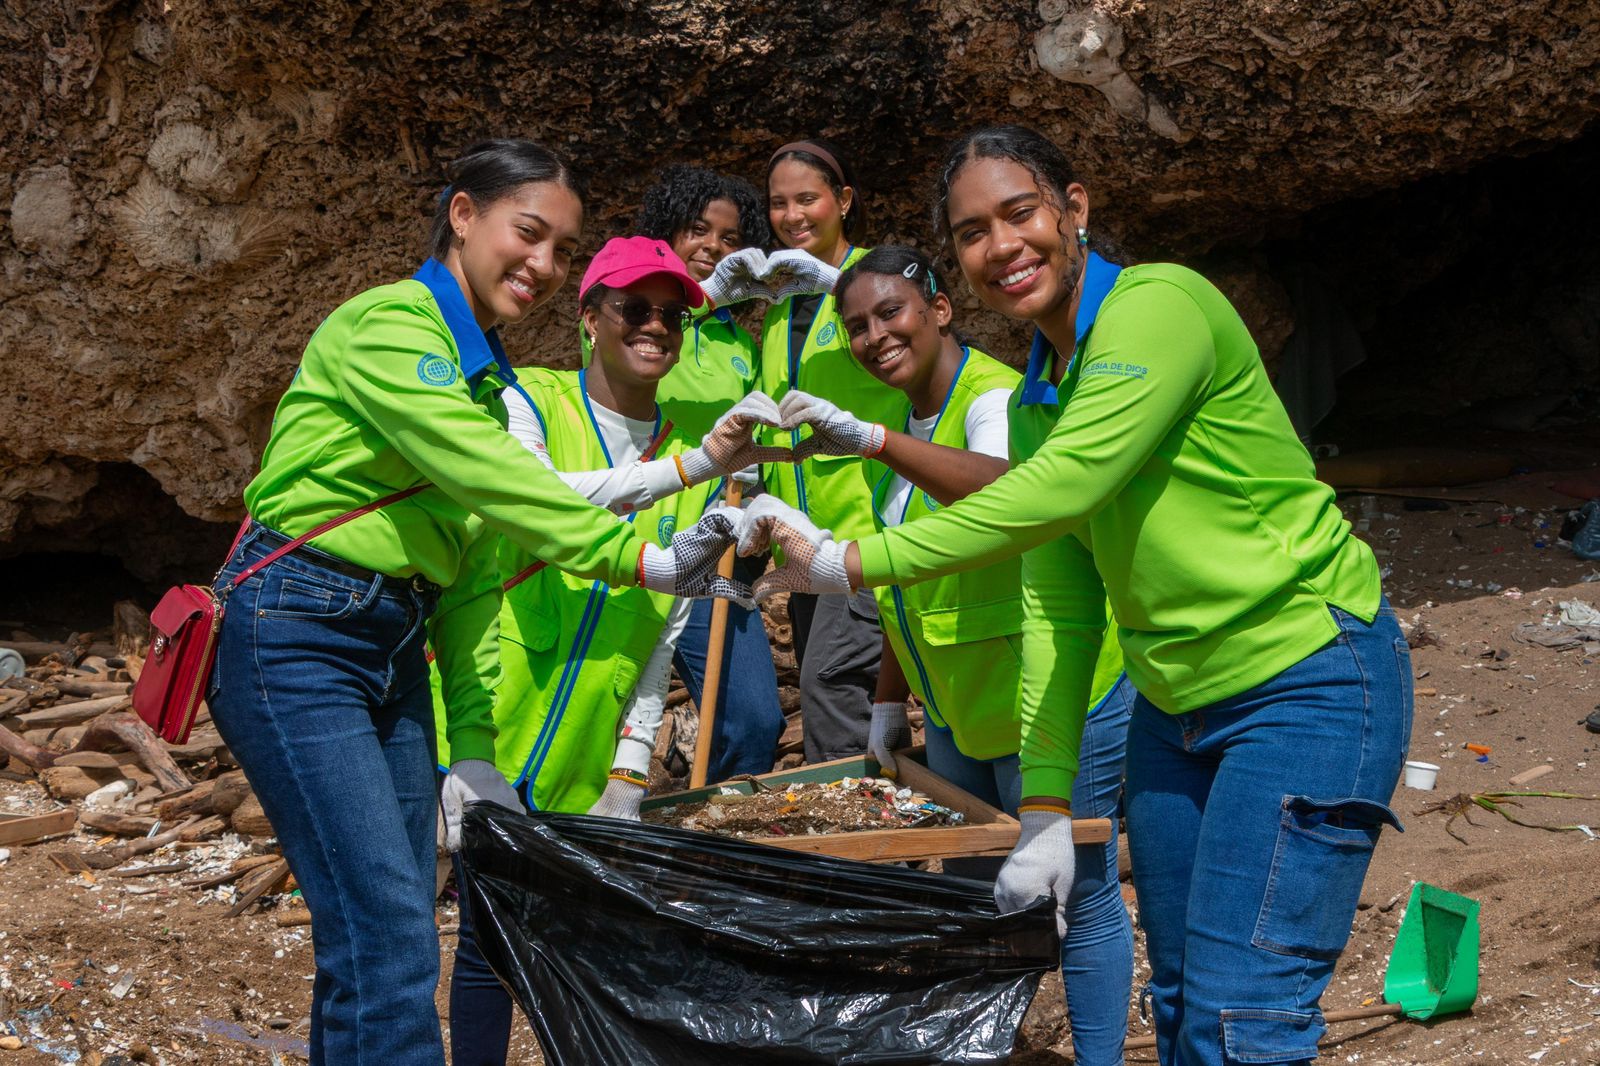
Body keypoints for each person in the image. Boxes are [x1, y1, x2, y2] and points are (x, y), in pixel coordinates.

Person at [740, 125, 1412, 1066]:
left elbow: (1061, 490)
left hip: (1303, 676)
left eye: (1019, 213)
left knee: (1243, 1010)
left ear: (1075, 209)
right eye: (973, 232)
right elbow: (1058, 604)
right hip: (1172, 705)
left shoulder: (1158, 305)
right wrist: (1049, 807)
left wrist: (848, 563)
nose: (1002, 246)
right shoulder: (1037, 395)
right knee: (1179, 994)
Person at [205, 141, 745, 1066]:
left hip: (392, 633)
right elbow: (499, 483)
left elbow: (469, 578)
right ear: (462, 215)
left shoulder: (486, 380)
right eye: (527, 233)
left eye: (562, 250)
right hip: (299, 629)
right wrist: (644, 559)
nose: (542, 264)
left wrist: (475, 748)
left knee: (381, 931)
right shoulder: (393, 327)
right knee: (390, 936)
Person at [790, 244, 1135, 1064]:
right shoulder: (907, 423)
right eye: (857, 327)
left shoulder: (993, 397)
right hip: (955, 705)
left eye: (891, 312)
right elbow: (909, 582)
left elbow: (1002, 493)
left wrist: (873, 440)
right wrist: (887, 700)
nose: (875, 336)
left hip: (1047, 695)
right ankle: (991, 1047)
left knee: (1081, 891)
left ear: (940, 309)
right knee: (977, 893)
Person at [438, 236, 772, 1066]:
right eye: (634, 308)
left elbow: (668, 626)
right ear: (589, 318)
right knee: (450, 936)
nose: (654, 326)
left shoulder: (694, 450)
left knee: (552, 947)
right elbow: (538, 500)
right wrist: (691, 467)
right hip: (479, 723)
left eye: (672, 315)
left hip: (582, 748)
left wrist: (629, 770)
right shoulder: (526, 400)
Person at [633, 166, 786, 780]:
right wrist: (695, 300)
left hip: (713, 548)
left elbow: (754, 439)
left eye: (730, 240)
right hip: (633, 545)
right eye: (698, 230)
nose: (713, 248)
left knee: (752, 721)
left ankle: (711, 828)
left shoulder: (741, 345)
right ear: (667, 231)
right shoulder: (632, 316)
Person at [758, 138, 902, 763]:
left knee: (831, 685)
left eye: (807, 199)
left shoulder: (878, 279)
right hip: (804, 541)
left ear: (843, 201)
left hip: (862, 531)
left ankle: (852, 819)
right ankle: (874, 806)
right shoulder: (782, 304)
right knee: (844, 693)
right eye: (778, 203)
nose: (792, 216)